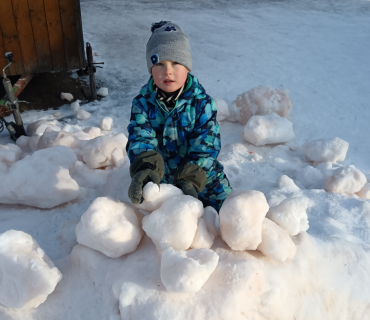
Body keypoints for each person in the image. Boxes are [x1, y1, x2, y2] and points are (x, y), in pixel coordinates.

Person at [126, 21, 232, 212]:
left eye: (176, 62)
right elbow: (140, 139)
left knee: (231, 212)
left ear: (187, 67)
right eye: (159, 63)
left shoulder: (202, 103)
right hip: (161, 179)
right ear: (150, 68)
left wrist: (191, 179)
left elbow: (206, 147)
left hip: (202, 175)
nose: (168, 71)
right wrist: (146, 169)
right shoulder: (142, 104)